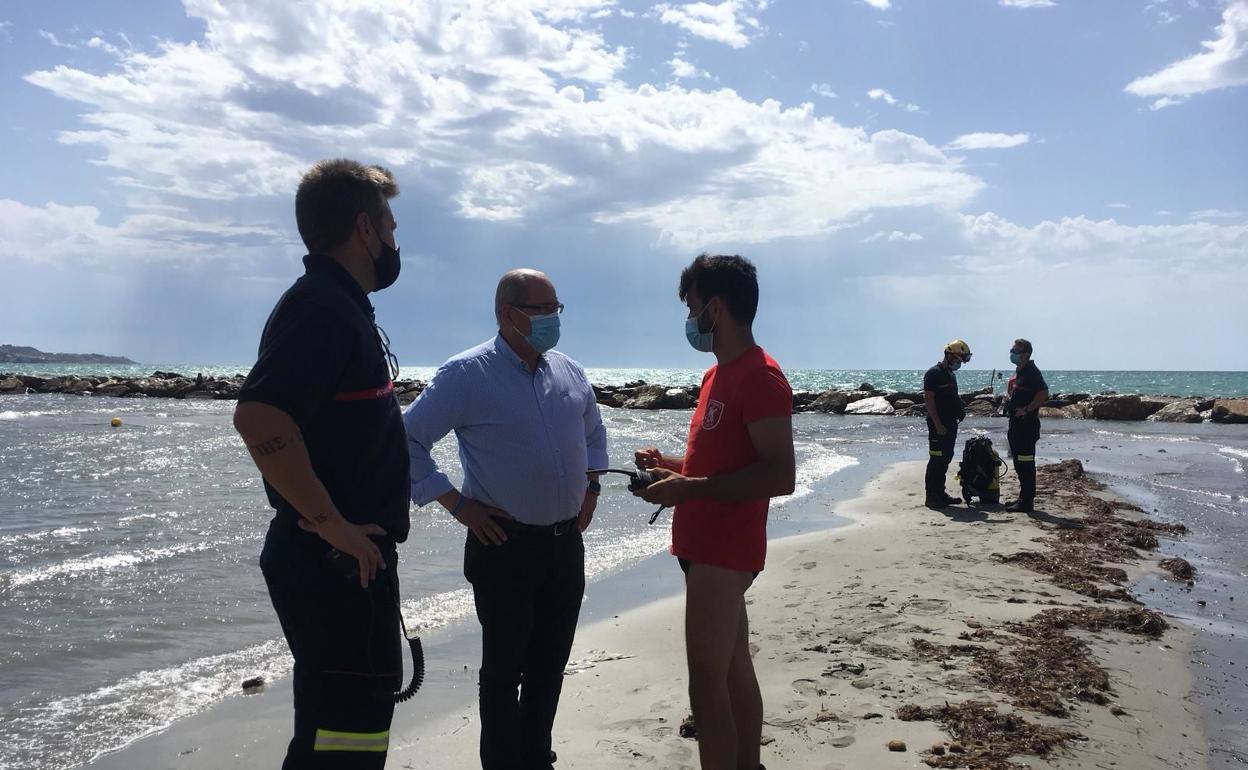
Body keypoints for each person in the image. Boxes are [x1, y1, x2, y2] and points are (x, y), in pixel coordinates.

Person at [233, 159, 410, 769]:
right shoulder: (320, 307)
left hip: (349, 565)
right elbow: (259, 417)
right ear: (364, 228)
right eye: (390, 223)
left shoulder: (343, 304)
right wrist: (330, 523)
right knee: (341, 741)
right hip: (331, 564)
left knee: (351, 732)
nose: (394, 238)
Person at [402, 269, 607, 770]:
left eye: (556, 308)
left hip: (564, 544)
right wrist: (456, 503)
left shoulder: (570, 371)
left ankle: (537, 756)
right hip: (504, 545)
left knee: (549, 665)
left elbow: (594, 433)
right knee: (503, 671)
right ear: (506, 313)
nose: (552, 318)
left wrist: (593, 487)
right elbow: (404, 442)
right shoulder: (467, 374)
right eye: (541, 309)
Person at [633, 254, 795, 770]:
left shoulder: (761, 378)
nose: (688, 318)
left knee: (706, 682)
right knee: (730, 671)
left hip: (725, 550)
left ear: (716, 308)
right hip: (704, 545)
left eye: (691, 306)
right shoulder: (715, 376)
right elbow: (717, 463)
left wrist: (691, 488)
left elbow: (779, 475)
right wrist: (670, 468)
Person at [923, 340, 972, 509]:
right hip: (938, 424)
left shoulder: (950, 374)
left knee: (945, 458)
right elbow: (929, 400)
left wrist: (960, 409)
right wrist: (937, 423)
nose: (960, 363)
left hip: (950, 424)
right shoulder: (933, 373)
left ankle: (940, 493)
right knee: (936, 460)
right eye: (959, 358)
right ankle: (931, 497)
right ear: (950, 355)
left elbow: (952, 396)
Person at [1004, 338, 1049, 512]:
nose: (1012, 354)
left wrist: (1027, 409)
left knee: (1025, 464)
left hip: (1026, 426)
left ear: (1026, 354)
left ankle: (1026, 501)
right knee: (1018, 463)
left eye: (1016, 351)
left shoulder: (1032, 372)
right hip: (1015, 425)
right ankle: (1022, 498)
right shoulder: (1020, 371)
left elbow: (1043, 393)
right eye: (1012, 350)